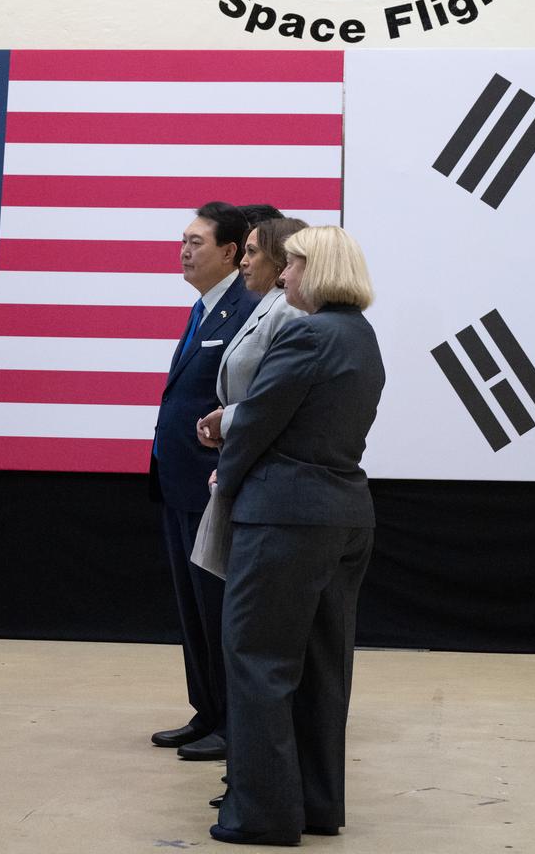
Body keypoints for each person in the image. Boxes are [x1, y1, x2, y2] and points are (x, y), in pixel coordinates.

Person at [202, 227, 386, 846]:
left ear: (319, 268)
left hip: (284, 518)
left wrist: (223, 479)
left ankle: (261, 814)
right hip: (345, 515)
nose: (282, 277)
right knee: (321, 669)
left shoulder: (304, 333)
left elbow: (255, 420)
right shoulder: (362, 337)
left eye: (294, 266)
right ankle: (314, 804)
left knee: (257, 661)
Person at [149, 201, 259, 763]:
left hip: (212, 484)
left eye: (196, 241)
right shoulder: (202, 310)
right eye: (182, 240)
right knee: (191, 608)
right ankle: (206, 710)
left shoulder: (247, 310)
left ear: (230, 252)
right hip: (177, 484)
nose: (185, 250)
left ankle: (231, 721)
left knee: (218, 609)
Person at [191, 217, 308, 581]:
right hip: (244, 466)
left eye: (252, 252)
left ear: (279, 259)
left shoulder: (287, 310)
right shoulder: (265, 304)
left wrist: (228, 420)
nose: (242, 260)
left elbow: (279, 398)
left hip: (265, 476)